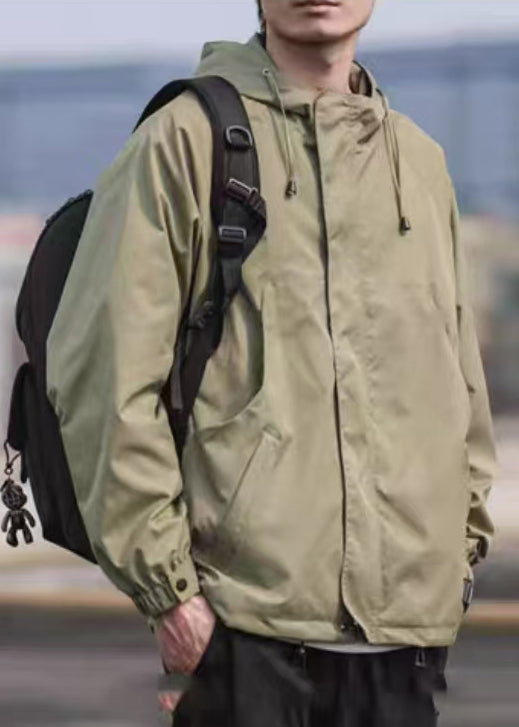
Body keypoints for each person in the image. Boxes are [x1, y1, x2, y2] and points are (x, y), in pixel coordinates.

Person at [46, 1, 498, 725]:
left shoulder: (418, 162)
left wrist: (459, 551)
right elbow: (106, 380)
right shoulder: (184, 141)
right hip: (244, 635)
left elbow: (457, 375)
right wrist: (173, 597)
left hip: (405, 641)